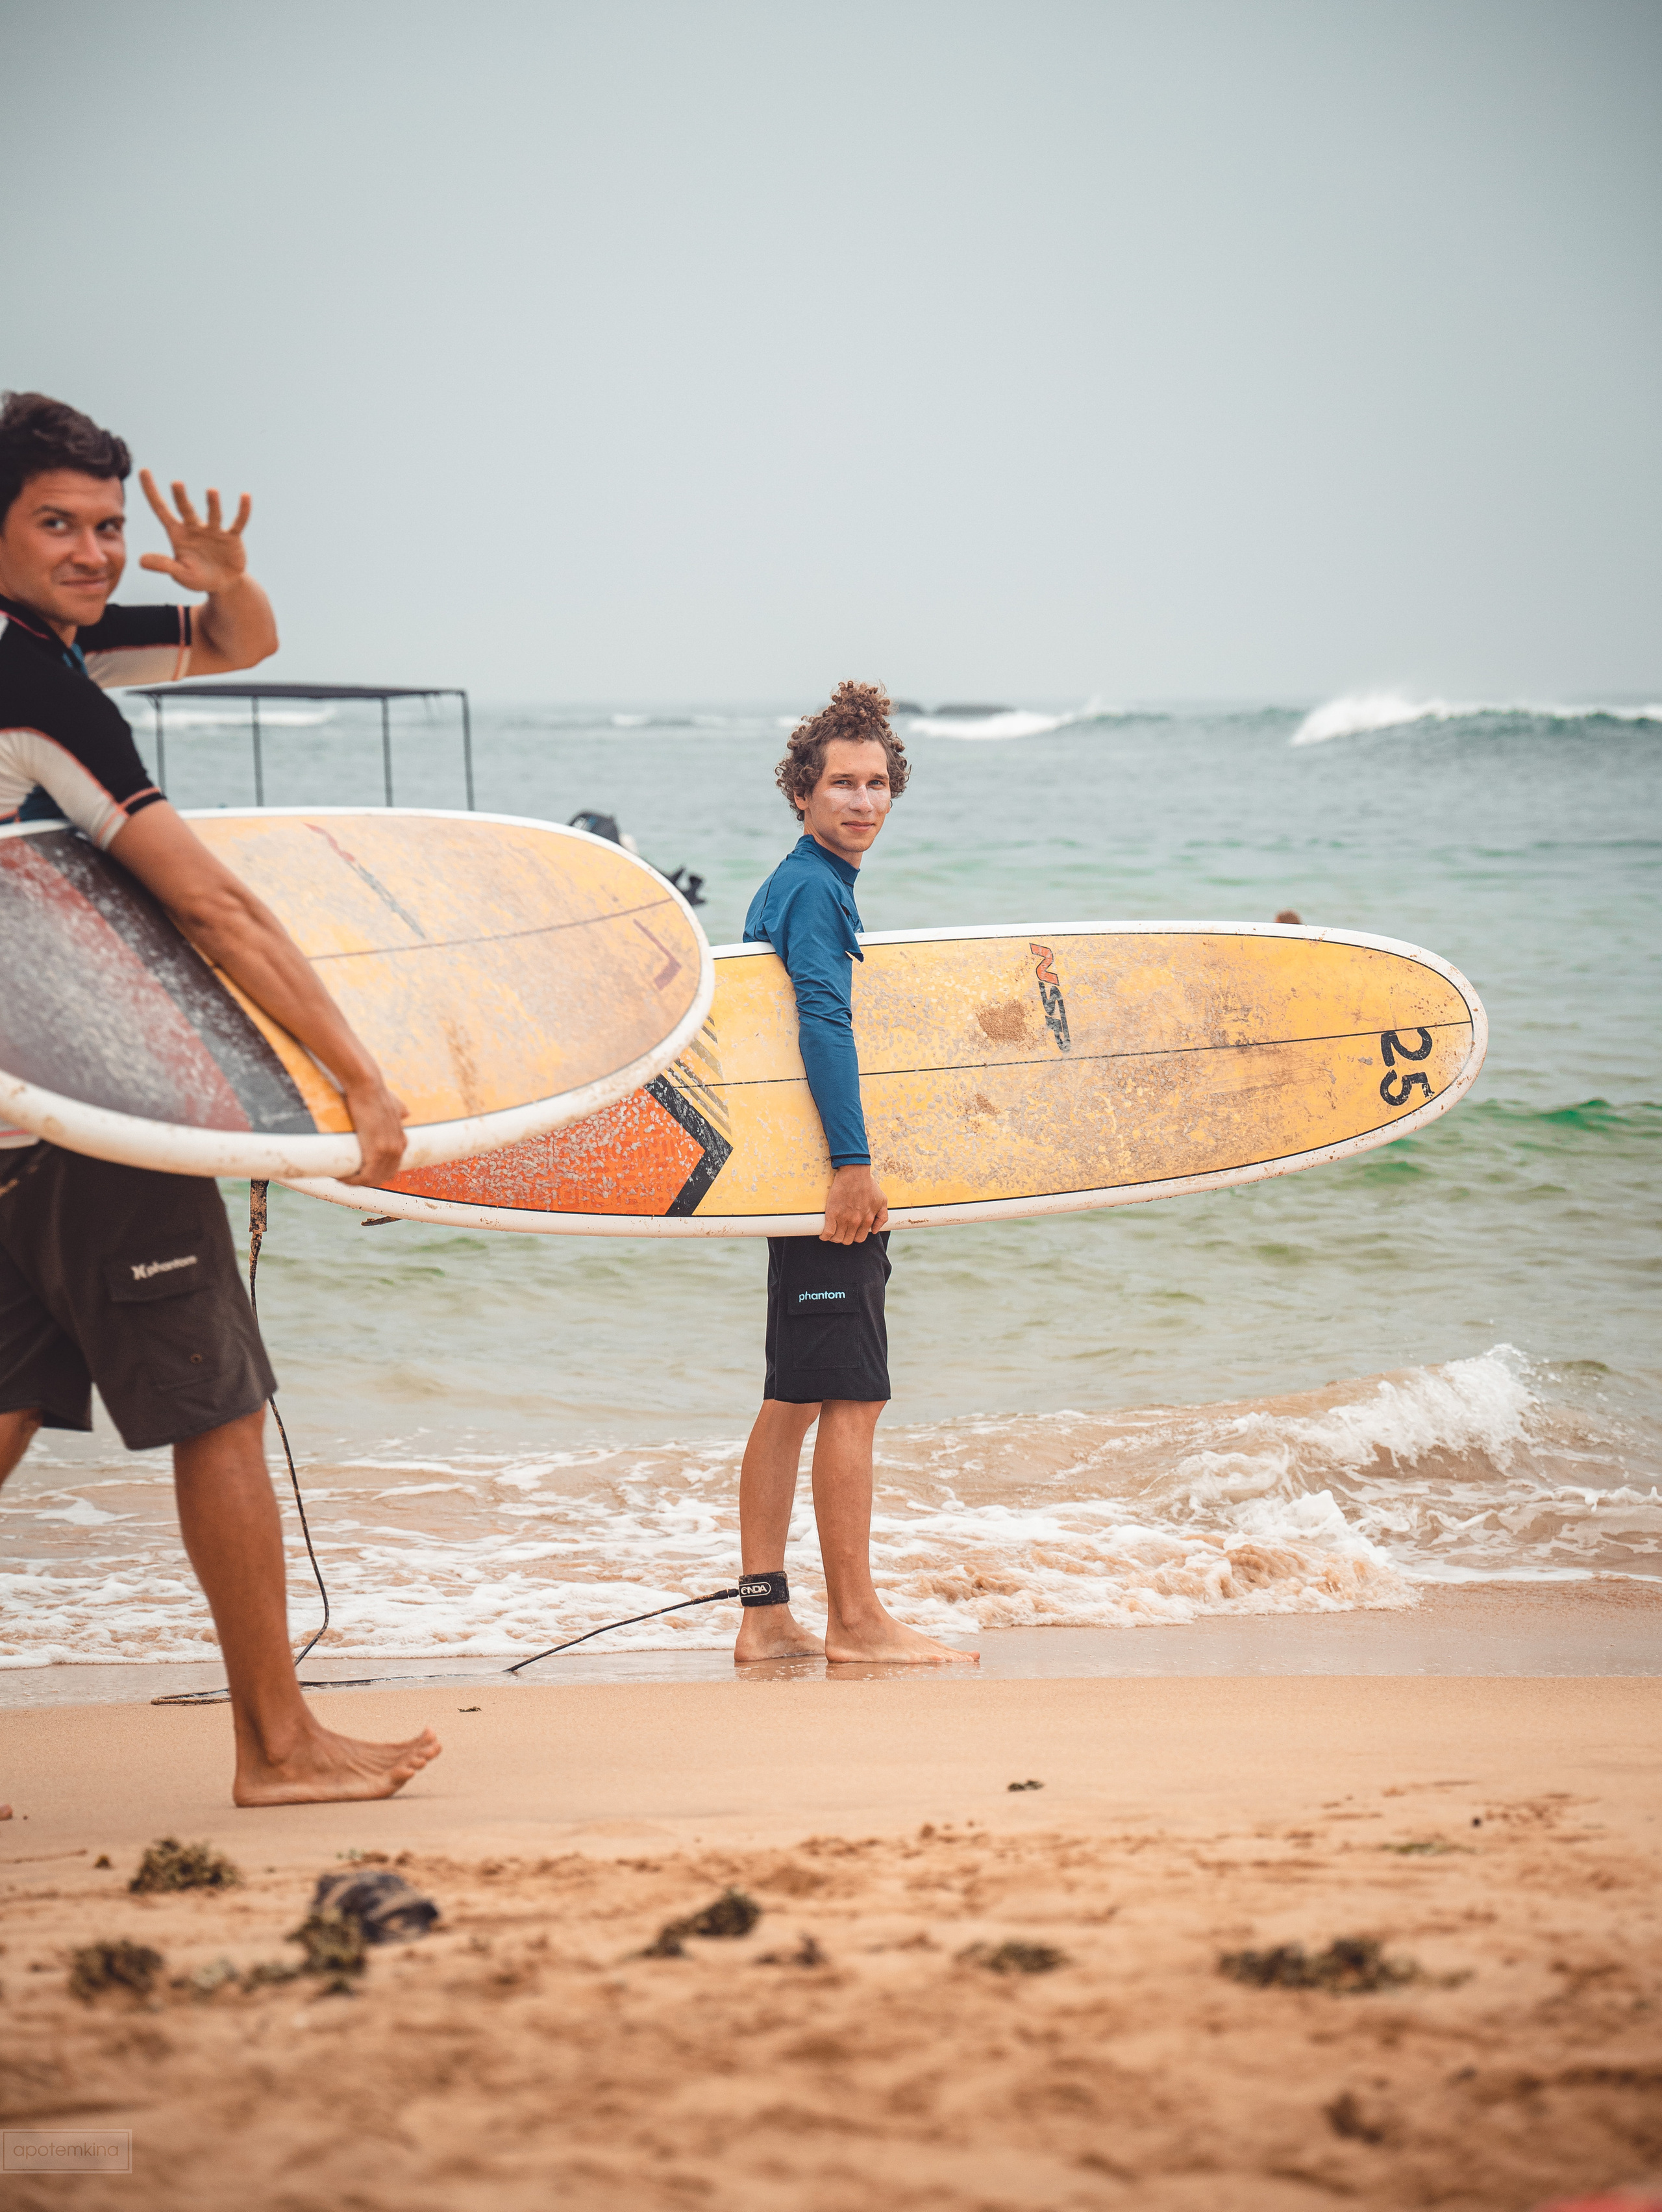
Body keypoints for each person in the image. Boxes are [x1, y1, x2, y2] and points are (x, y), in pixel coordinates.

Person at [0, 391, 441, 1804]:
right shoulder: (35, 682)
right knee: (216, 1406)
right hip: (88, 1114)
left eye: (108, 528)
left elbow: (240, 644)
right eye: (56, 524)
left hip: (13, 1107)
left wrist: (221, 583)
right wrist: (356, 1077)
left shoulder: (50, 646)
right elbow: (214, 908)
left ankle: (280, 1736)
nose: (93, 552)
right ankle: (277, 1744)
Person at [733, 681, 974, 1666]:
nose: (863, 802)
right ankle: (858, 1623)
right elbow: (820, 1022)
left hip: (780, 1177)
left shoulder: (797, 886)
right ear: (802, 791)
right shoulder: (816, 894)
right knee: (851, 1398)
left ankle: (763, 1618)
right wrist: (851, 1167)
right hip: (817, 1183)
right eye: (841, 783)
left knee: (793, 1397)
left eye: (878, 784)